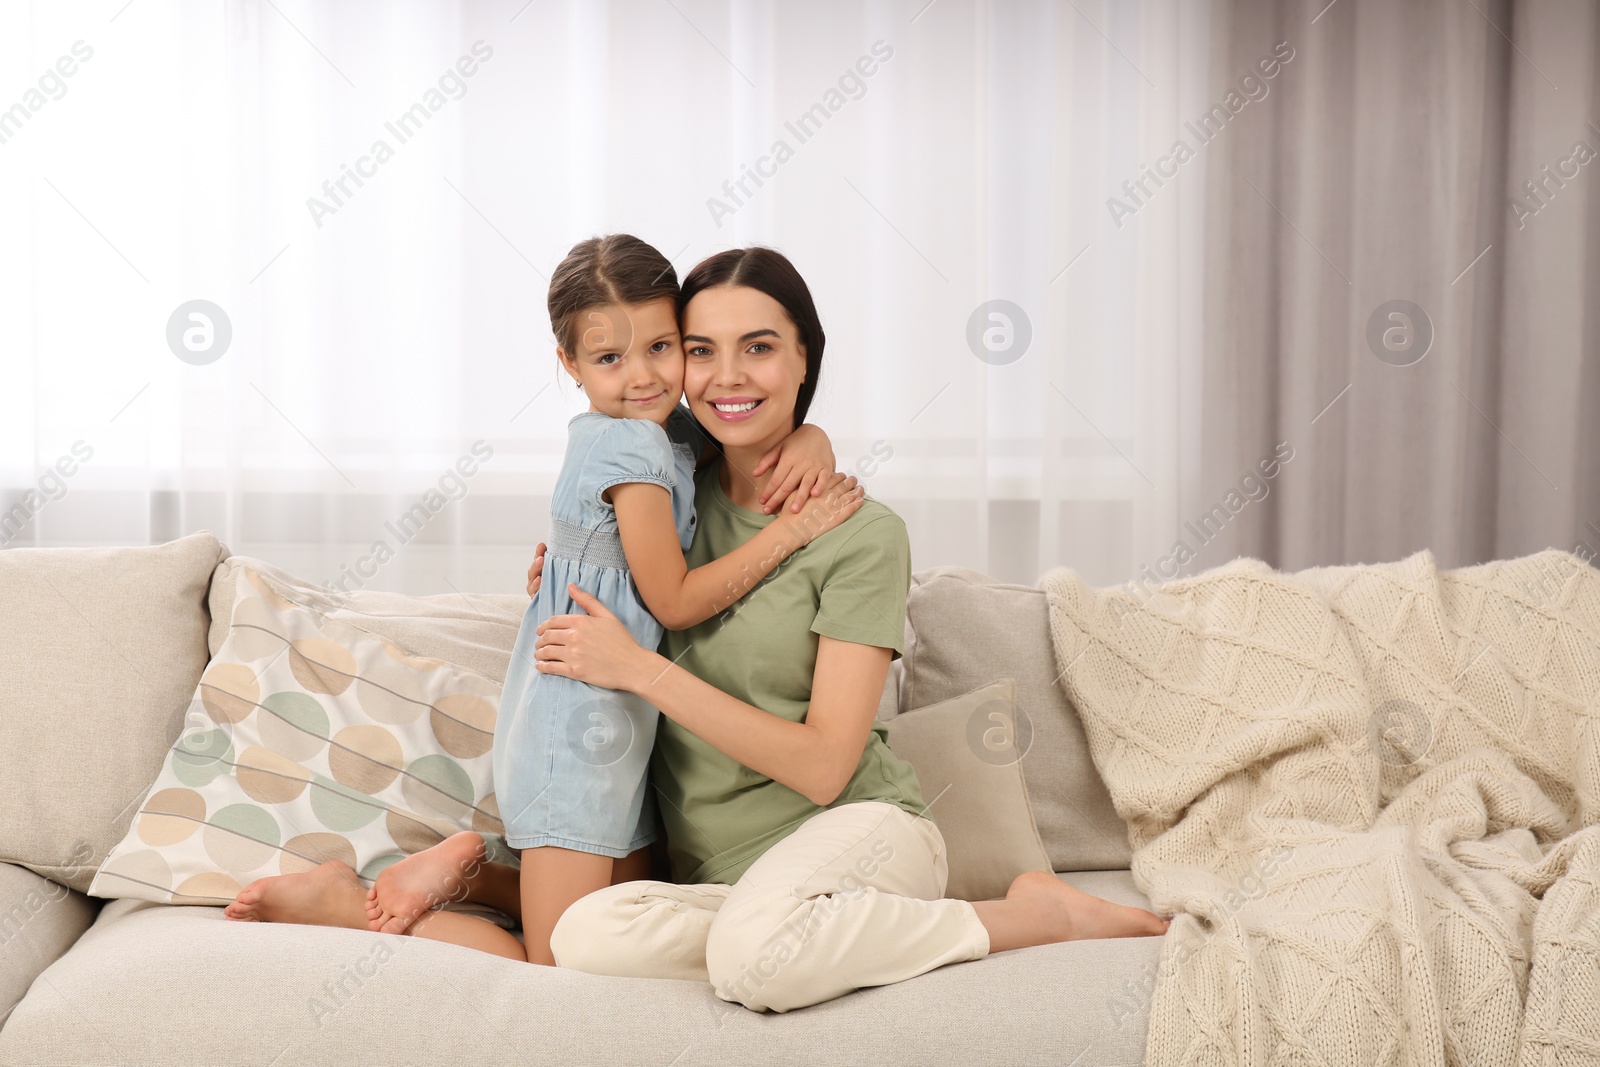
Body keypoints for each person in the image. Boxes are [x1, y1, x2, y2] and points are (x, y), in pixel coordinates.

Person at [227, 246, 1169, 1013]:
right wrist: (564, 566)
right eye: (702, 349)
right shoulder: (675, 485)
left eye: (759, 348)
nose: (722, 378)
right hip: (714, 874)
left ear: (806, 357)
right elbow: (611, 506)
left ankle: (1028, 915)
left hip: (858, 831)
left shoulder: (858, 532)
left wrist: (643, 670)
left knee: (756, 957)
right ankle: (744, 927)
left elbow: (821, 767)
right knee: (585, 939)